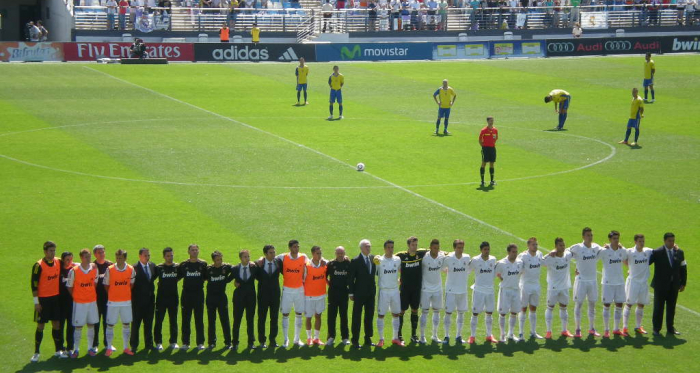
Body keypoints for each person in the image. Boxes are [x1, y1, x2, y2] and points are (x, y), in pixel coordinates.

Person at [30, 241, 66, 362]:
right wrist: (36, 302)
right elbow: (34, 285)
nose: (53, 253)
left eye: (54, 250)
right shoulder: (38, 266)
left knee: (56, 324)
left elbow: (69, 262)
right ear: (45, 251)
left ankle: (58, 350)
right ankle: (36, 352)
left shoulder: (58, 261)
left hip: (55, 299)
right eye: (51, 251)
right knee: (41, 326)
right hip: (43, 300)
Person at [649, 232, 687, 336]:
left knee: (671, 308)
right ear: (665, 241)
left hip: (673, 285)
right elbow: (646, 263)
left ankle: (670, 328)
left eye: (673, 240)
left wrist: (683, 283)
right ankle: (656, 329)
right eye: (670, 241)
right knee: (658, 308)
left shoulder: (679, 252)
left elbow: (683, 267)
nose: (672, 243)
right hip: (660, 286)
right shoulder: (657, 252)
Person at [569, 227, 602, 338]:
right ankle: (578, 329)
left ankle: (592, 328)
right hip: (581, 281)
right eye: (588, 235)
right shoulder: (577, 248)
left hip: (592, 281)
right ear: (583, 236)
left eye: (591, 235)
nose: (590, 237)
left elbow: (606, 251)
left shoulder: (596, 247)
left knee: (592, 305)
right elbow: (565, 253)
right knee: (579, 304)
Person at [103, 249, 136, 356]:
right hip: (113, 302)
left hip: (126, 302)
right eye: (117, 258)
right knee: (110, 324)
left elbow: (131, 284)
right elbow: (106, 285)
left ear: (125, 258)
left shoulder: (131, 269)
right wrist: (114, 294)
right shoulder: (110, 269)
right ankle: (109, 347)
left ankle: (126, 347)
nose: (118, 260)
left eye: (120, 258)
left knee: (126, 324)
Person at [67, 249, 99, 358]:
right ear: (81, 258)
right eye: (86, 257)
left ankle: (90, 348)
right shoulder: (74, 271)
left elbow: (95, 282)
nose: (88, 259)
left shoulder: (94, 268)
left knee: (91, 324)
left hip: (91, 301)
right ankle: (76, 350)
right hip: (79, 302)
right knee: (78, 326)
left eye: (89, 257)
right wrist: (76, 296)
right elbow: (69, 286)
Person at [395, 236, 428, 343]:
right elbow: (388, 258)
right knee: (402, 311)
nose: (415, 247)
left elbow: (435, 250)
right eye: (413, 245)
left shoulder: (421, 253)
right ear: (408, 245)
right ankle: (399, 335)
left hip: (416, 288)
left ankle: (414, 334)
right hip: (404, 289)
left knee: (415, 310)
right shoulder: (401, 256)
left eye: (416, 245)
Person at [276, 239, 307, 348]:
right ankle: (285, 339)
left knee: (299, 313)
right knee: (285, 314)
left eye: (297, 246)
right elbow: (269, 259)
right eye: (294, 247)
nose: (296, 249)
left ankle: (297, 339)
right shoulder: (283, 257)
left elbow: (315, 261)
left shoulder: (303, 257)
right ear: (289, 248)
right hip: (287, 290)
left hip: (299, 290)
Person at [374, 240, 403, 347]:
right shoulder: (379, 260)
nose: (391, 249)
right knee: (381, 315)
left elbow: (401, 270)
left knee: (396, 314)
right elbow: (375, 272)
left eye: (392, 247)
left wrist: (400, 279)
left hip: (395, 291)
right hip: (384, 291)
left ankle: (395, 338)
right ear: (384, 249)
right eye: (389, 247)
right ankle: (381, 339)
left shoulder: (397, 259)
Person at [543, 237, 574, 339]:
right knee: (550, 307)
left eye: (563, 245)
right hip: (553, 287)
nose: (563, 247)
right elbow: (541, 262)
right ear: (556, 246)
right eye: (560, 245)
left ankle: (564, 330)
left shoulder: (567, 255)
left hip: (564, 287)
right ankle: (548, 331)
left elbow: (576, 252)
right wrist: (549, 254)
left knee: (564, 308)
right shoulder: (551, 258)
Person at [178, 244, 208, 350]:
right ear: (188, 252)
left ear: (198, 251)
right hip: (186, 295)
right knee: (186, 319)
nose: (194, 252)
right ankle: (185, 343)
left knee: (199, 319)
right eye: (192, 250)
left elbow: (206, 278)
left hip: (199, 295)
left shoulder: (203, 264)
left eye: (196, 250)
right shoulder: (183, 265)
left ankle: (200, 343)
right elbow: (177, 277)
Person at [441, 239, 471, 345]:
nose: (460, 249)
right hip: (451, 290)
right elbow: (441, 267)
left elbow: (469, 269)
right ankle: (446, 336)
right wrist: (446, 271)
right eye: (458, 247)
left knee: (461, 313)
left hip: (462, 290)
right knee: (448, 313)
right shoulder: (449, 258)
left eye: (462, 247)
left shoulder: (467, 257)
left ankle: (458, 335)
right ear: (454, 248)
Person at [622, 234, 653, 335]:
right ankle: (625, 328)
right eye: (640, 241)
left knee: (641, 304)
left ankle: (638, 326)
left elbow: (660, 252)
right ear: (635, 242)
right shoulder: (630, 252)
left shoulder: (647, 251)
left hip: (643, 282)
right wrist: (630, 268)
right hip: (633, 282)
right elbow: (623, 258)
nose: (642, 243)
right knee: (629, 304)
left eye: (643, 241)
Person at [349, 239, 377, 348]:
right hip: (359, 293)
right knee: (357, 317)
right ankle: (355, 340)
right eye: (366, 246)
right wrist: (351, 293)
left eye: (369, 246)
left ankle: (368, 338)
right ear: (361, 248)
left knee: (369, 316)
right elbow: (351, 279)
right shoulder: (355, 261)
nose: (368, 248)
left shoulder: (373, 258)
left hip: (370, 293)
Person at [468, 242, 498, 344]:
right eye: (485, 249)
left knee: (489, 313)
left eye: (488, 249)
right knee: (475, 313)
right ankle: (472, 336)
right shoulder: (475, 260)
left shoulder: (493, 259)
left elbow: (495, 273)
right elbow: (467, 270)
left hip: (489, 290)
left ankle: (489, 335)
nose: (487, 251)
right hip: (478, 291)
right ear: (481, 250)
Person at [599, 231, 627, 338]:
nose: (616, 240)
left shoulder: (622, 250)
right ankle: (606, 330)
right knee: (607, 305)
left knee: (619, 304)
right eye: (614, 238)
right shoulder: (604, 251)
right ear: (610, 239)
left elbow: (627, 259)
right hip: (607, 282)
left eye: (617, 238)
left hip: (619, 282)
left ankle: (616, 328)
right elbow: (593, 259)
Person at [419, 239, 446, 344]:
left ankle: (435, 335)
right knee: (424, 312)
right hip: (426, 289)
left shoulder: (441, 256)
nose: (436, 250)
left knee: (436, 311)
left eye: (438, 248)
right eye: (435, 248)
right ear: (430, 247)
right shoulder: (424, 258)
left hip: (438, 289)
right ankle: (422, 336)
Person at [495, 244, 523, 342]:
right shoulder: (501, 263)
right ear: (508, 252)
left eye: (516, 252)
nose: (515, 254)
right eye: (513, 252)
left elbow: (521, 272)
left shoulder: (519, 262)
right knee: (503, 313)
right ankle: (502, 334)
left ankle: (510, 333)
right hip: (505, 290)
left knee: (514, 312)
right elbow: (494, 273)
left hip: (516, 289)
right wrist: (501, 278)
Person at [517, 237, 544, 340]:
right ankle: (521, 333)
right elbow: (517, 267)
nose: (535, 246)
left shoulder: (539, 254)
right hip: (525, 285)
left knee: (533, 308)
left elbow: (544, 262)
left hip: (536, 285)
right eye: (533, 245)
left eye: (536, 244)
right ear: (528, 246)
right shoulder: (523, 256)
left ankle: (533, 332)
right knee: (523, 308)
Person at [231, 249, 258, 349]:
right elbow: (227, 279)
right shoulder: (235, 269)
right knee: (237, 320)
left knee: (250, 320)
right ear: (240, 258)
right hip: (238, 298)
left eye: (248, 257)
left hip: (251, 298)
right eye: (245, 257)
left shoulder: (254, 267)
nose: (247, 259)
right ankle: (235, 343)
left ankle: (251, 342)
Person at [130, 248, 156, 352]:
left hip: (150, 301)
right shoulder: (134, 268)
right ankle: (134, 345)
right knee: (136, 324)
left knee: (148, 324)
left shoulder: (152, 266)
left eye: (148, 255)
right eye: (145, 255)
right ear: (140, 256)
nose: (147, 257)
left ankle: (149, 344)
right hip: (137, 302)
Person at [205, 250, 233, 349]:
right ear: (213, 260)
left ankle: (228, 342)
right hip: (210, 298)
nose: (220, 261)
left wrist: (228, 280)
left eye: (221, 259)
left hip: (222, 298)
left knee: (225, 320)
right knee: (211, 320)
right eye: (217, 260)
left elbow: (236, 270)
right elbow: (203, 278)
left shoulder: (226, 267)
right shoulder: (208, 269)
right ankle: (211, 342)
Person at [255, 245, 281, 348]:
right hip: (263, 295)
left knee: (274, 318)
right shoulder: (258, 264)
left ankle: (273, 340)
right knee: (262, 318)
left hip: (275, 295)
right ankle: (262, 341)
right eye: (271, 252)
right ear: (265, 254)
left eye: (274, 252)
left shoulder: (278, 262)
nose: (273, 254)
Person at [154, 247, 180, 350]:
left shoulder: (177, 267)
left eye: (172, 255)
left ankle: (173, 342)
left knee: (173, 320)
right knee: (159, 320)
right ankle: (158, 342)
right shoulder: (159, 268)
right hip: (161, 298)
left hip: (173, 298)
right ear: (164, 257)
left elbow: (181, 276)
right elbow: (152, 278)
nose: (170, 257)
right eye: (168, 256)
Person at [326, 246, 351, 345]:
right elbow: (325, 276)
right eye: (338, 253)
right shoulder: (331, 264)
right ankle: (331, 337)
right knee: (331, 316)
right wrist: (330, 284)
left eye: (342, 253)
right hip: (333, 293)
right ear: (335, 253)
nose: (340, 255)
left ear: (344, 253)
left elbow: (352, 277)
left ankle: (345, 337)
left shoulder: (348, 264)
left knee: (343, 316)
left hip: (344, 293)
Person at [303, 246, 328, 346]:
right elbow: (302, 280)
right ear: (312, 254)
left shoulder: (324, 264)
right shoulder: (307, 266)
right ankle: (309, 338)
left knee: (318, 316)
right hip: (309, 296)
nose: (319, 255)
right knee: (308, 317)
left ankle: (316, 338)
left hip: (321, 295)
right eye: (317, 253)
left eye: (320, 253)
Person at [92, 245, 112, 352]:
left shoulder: (110, 265)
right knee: (96, 322)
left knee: (107, 322)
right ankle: (95, 345)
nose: (102, 254)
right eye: (99, 252)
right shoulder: (92, 266)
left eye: (103, 252)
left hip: (108, 299)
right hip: (95, 299)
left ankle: (107, 344)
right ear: (95, 254)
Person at [59, 252, 75, 357]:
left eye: (71, 259)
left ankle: (70, 347)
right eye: (67, 260)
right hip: (60, 302)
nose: (69, 262)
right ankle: (60, 347)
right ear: (63, 260)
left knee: (71, 325)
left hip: (72, 302)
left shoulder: (74, 269)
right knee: (60, 326)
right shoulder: (58, 269)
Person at [478, 116, 498, 187]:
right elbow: (480, 140)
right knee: (484, 163)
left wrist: (492, 144)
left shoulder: (495, 130)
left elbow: (496, 138)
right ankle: (482, 181)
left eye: (492, 120)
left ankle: (492, 181)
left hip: (492, 148)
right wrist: (483, 147)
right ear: (487, 121)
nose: (492, 122)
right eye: (490, 120)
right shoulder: (483, 130)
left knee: (492, 163)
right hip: (485, 149)